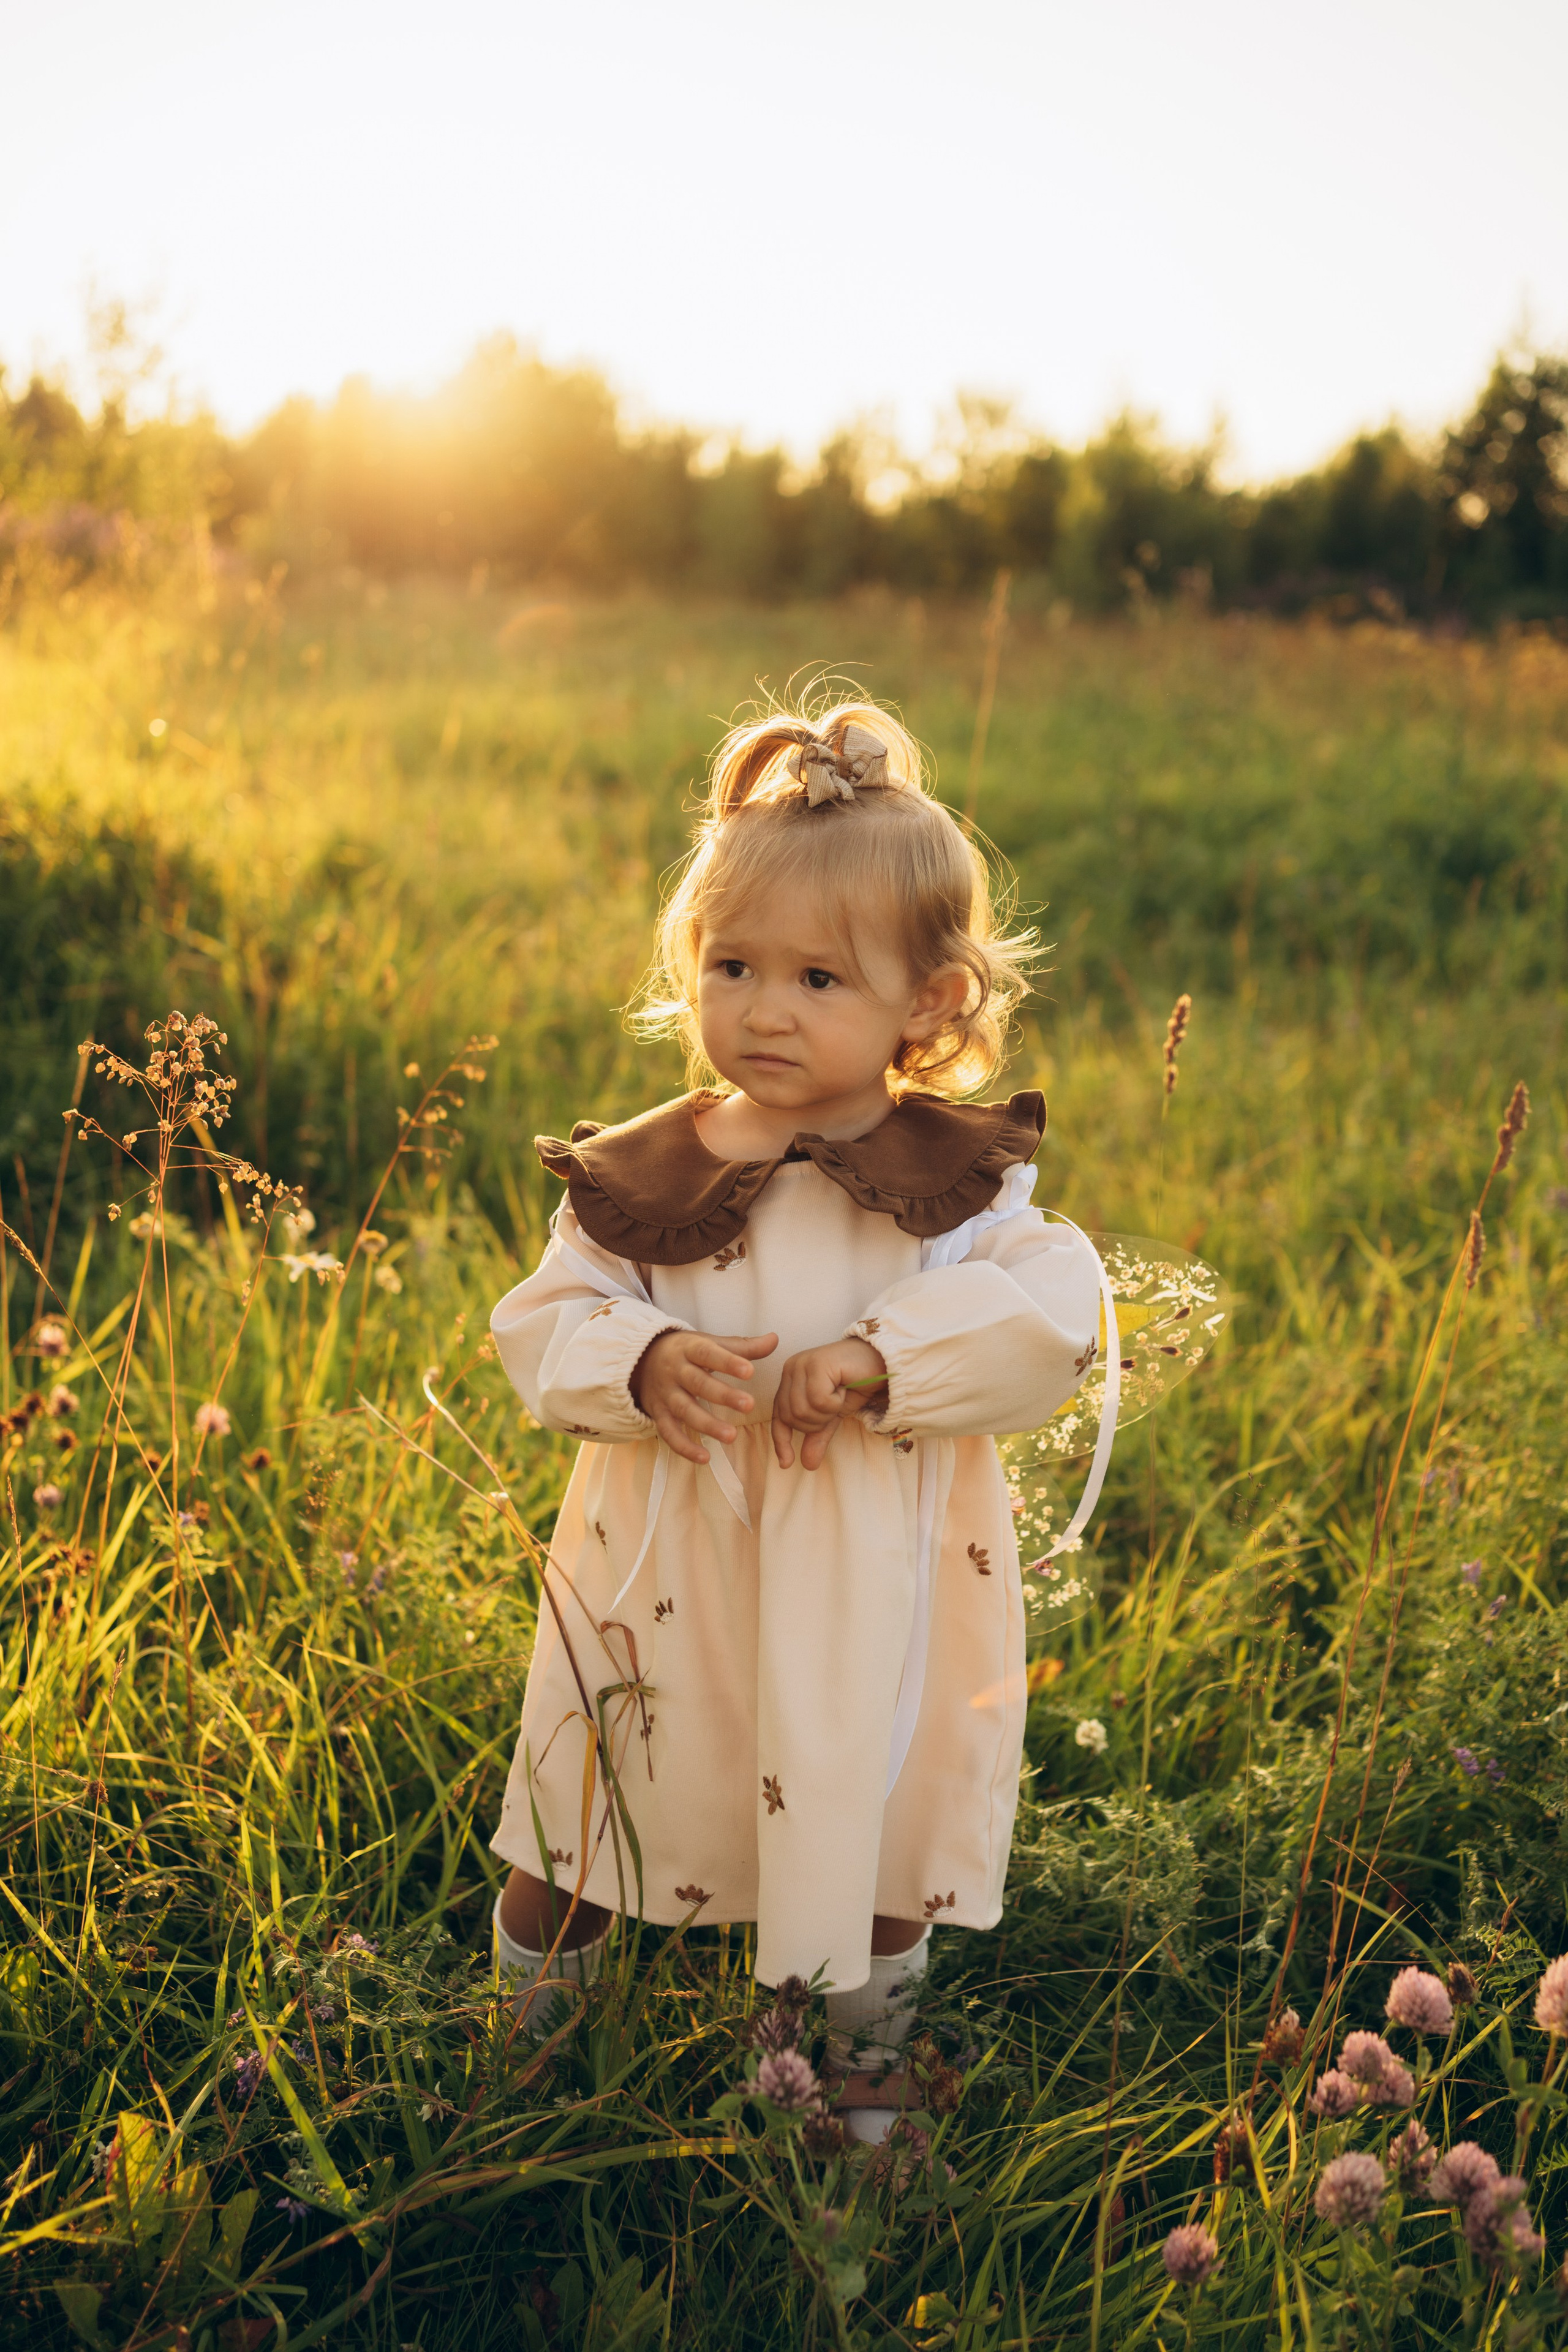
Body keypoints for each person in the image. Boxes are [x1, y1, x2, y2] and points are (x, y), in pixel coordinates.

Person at [486, 698, 1102, 2138]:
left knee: (871, 1819)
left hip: (869, 1577)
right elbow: (541, 1320)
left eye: (819, 977)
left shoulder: (951, 1176)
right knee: (589, 1803)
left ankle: (863, 2074)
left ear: (929, 1003)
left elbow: (1053, 1314)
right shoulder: (648, 1170)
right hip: (663, 1569)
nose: (763, 1007)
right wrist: (639, 1363)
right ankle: (516, 2053)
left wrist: (887, 1357)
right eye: (732, 965)